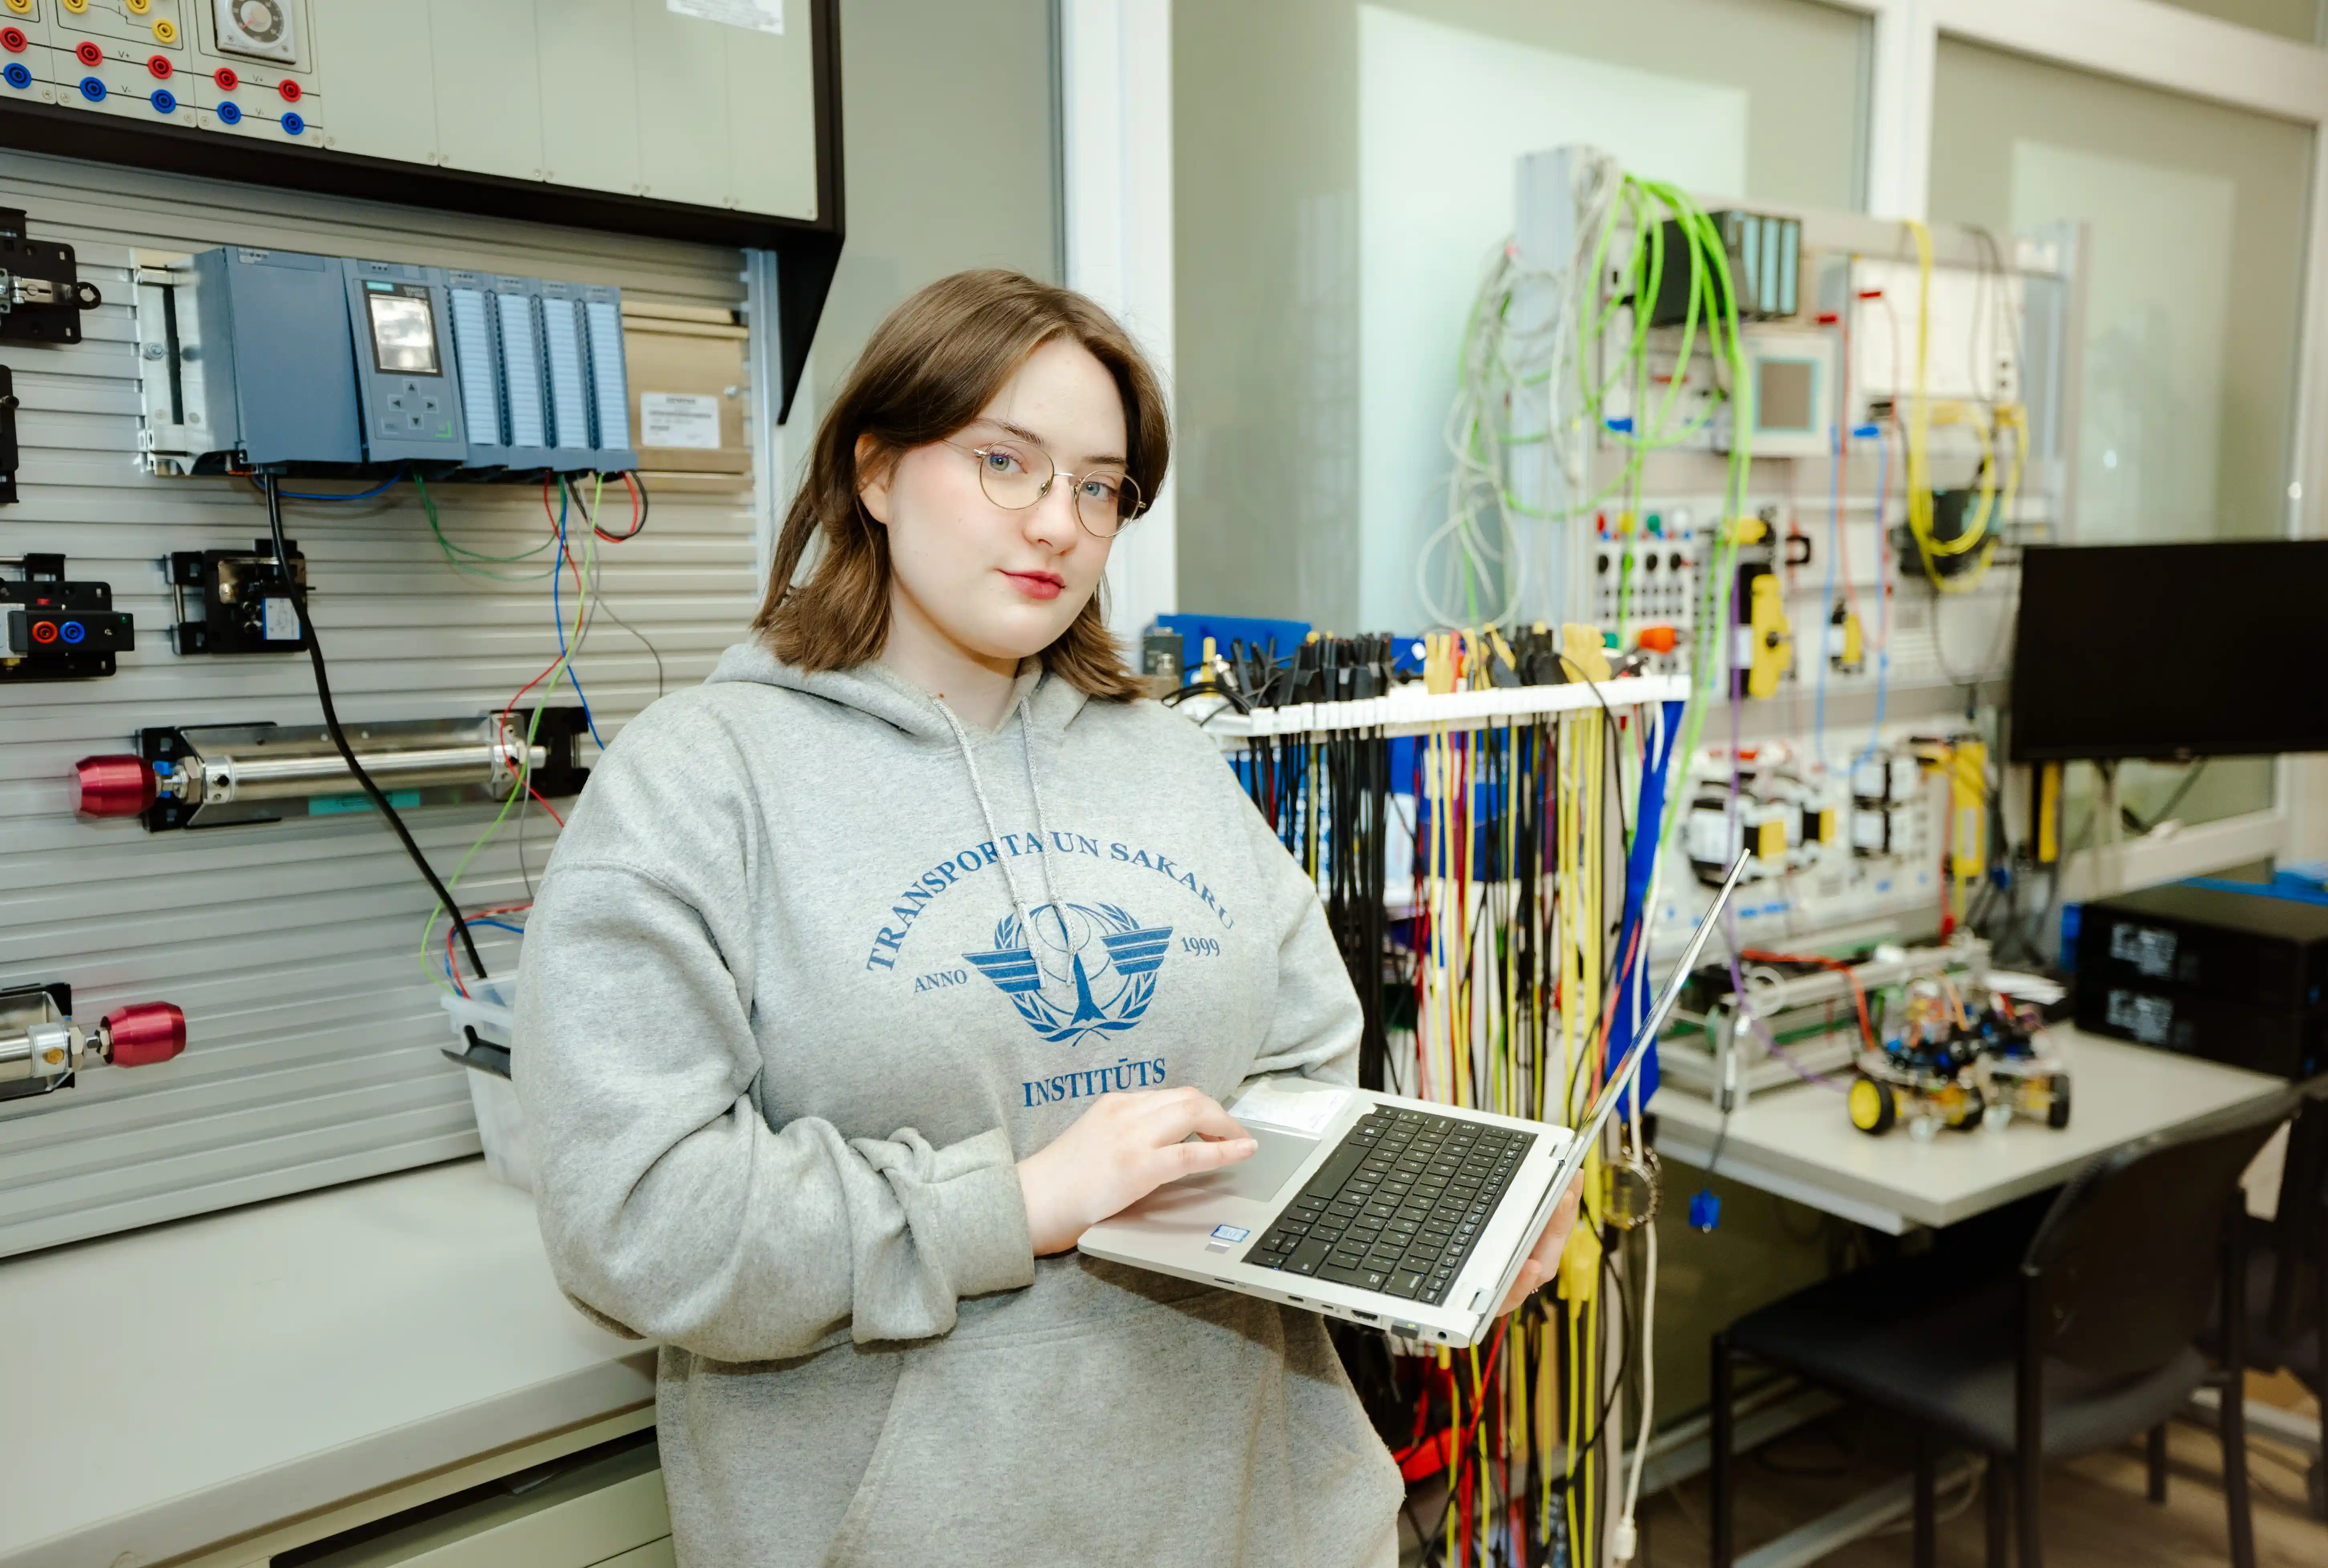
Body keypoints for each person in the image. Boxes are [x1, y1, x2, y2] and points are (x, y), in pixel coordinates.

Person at [514, 269, 1580, 1567]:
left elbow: (1300, 1072)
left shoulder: (1169, 759)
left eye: (1097, 485)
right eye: (1005, 462)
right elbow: (636, 1217)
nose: (1057, 523)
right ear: (875, 469)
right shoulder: (700, 778)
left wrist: (1429, 1226)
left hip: (1258, 1516)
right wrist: (1017, 1202)